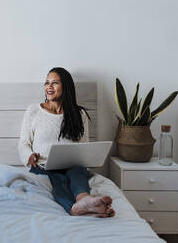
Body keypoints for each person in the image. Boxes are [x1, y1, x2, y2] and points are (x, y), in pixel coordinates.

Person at [18, 67, 115, 217]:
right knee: (58, 180)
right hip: (43, 166)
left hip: (71, 165)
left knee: (78, 172)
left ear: (66, 87)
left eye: (54, 83)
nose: (49, 86)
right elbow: (23, 142)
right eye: (47, 83)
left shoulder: (79, 114)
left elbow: (84, 147)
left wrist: (85, 159)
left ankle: (85, 199)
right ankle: (73, 207)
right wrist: (29, 155)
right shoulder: (34, 111)